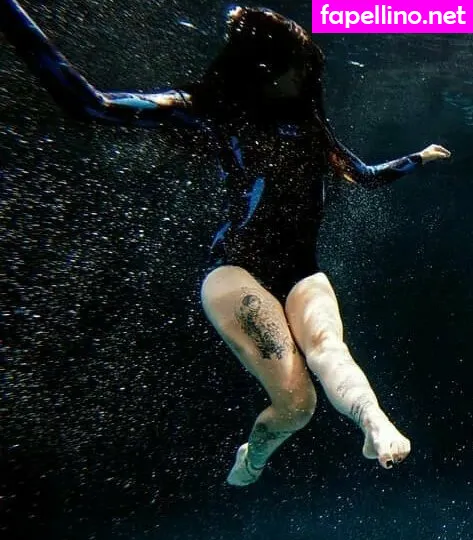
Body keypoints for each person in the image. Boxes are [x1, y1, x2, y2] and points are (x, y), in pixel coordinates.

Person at [0, 1, 451, 486]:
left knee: (329, 349)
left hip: (302, 272)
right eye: (297, 67)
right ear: (265, 66)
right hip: (237, 270)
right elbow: (91, 105)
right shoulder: (212, 113)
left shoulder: (310, 126)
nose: (305, 78)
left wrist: (417, 158)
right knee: (297, 405)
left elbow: (362, 174)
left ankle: (373, 422)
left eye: (306, 68)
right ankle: (254, 457)